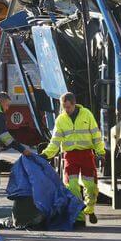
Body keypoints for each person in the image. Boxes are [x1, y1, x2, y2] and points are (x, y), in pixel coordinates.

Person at [40, 92, 105, 226]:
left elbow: (96, 135)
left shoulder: (86, 114)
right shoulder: (61, 119)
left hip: (86, 154)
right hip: (70, 156)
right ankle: (79, 218)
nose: (66, 110)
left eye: (68, 107)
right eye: (64, 108)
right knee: (72, 187)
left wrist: (101, 152)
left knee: (91, 187)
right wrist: (47, 154)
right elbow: (55, 141)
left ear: (74, 104)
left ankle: (89, 209)